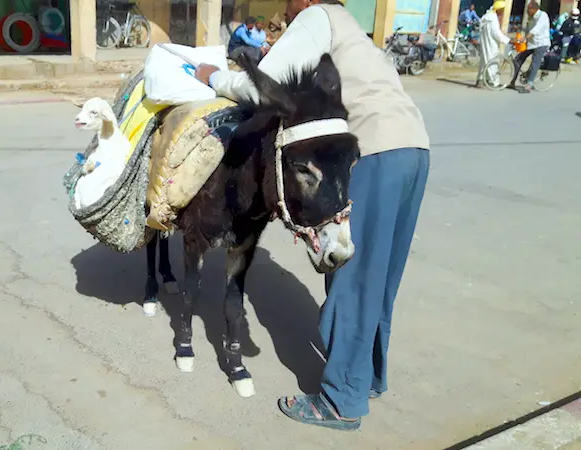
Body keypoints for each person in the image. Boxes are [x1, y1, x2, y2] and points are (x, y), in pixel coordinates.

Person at [195, 0, 430, 431]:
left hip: (371, 150)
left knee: (352, 276)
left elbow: (261, 91)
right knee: (380, 275)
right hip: (414, 148)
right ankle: (367, 376)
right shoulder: (353, 29)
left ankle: (340, 400)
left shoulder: (315, 17)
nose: (285, 9)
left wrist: (212, 78)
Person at [511, 1, 550, 92]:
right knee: (517, 59)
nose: (527, 11)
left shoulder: (542, 16)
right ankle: (512, 81)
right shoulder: (531, 17)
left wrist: (525, 38)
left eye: (529, 9)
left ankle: (530, 84)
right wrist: (520, 29)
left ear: (534, 9)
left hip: (541, 43)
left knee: (535, 63)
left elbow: (536, 30)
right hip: (531, 43)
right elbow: (528, 29)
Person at [476, 1, 510, 88]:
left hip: (485, 43)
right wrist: (507, 40)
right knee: (492, 62)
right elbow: (496, 33)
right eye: (502, 10)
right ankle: (494, 82)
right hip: (491, 44)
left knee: (484, 61)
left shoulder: (486, 17)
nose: (502, 12)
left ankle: (480, 80)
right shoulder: (493, 19)